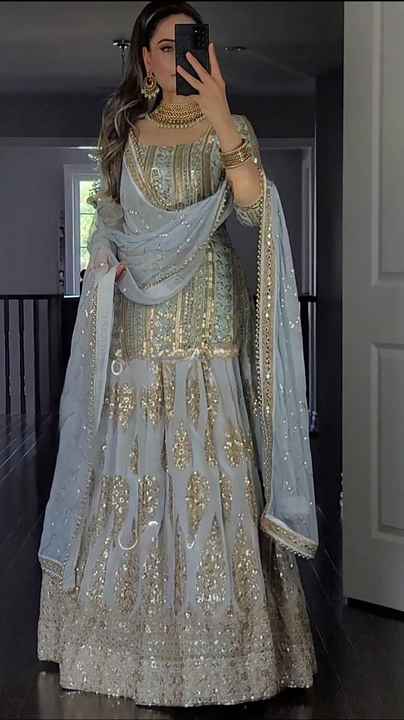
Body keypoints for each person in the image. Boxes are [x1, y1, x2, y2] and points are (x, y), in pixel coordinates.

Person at [36, 0, 319, 707]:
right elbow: (111, 218)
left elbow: (252, 210)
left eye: (190, 43)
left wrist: (221, 117)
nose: (179, 56)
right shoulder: (125, 129)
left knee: (211, 465)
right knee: (134, 461)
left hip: (209, 313)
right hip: (137, 315)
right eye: (165, 46)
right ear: (144, 59)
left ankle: (225, 650)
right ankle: (130, 646)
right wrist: (107, 256)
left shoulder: (232, 125)